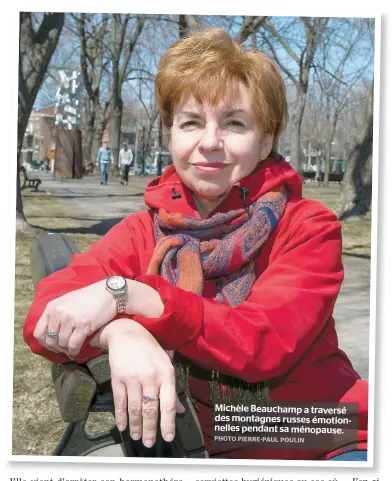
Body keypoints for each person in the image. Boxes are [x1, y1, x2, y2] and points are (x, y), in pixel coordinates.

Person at [23, 28, 368, 461]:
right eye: (190, 122)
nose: (209, 142)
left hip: (318, 435)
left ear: (266, 140)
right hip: (197, 443)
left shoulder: (308, 226)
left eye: (234, 123)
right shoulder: (143, 230)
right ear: (170, 135)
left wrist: (133, 296)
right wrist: (121, 329)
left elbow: (260, 343)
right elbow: (44, 318)